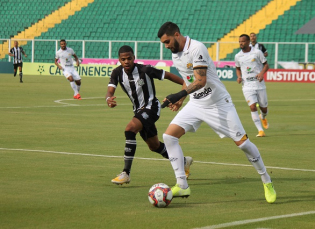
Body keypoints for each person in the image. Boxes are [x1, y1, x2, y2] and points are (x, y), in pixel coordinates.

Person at [158, 22, 276, 203]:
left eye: (167, 42)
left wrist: (179, 94)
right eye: (164, 43)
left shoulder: (197, 48)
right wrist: (181, 100)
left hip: (219, 103)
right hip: (196, 103)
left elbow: (201, 81)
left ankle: (266, 180)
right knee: (169, 137)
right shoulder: (176, 55)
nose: (166, 46)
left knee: (243, 144)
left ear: (176, 34)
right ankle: (182, 185)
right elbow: (187, 79)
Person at [106, 45, 193, 185]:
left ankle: (126, 173)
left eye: (129, 58)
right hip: (139, 111)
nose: (126, 61)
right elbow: (110, 91)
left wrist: (183, 89)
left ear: (134, 58)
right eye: (123, 59)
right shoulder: (117, 73)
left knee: (130, 129)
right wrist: (108, 99)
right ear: (119, 60)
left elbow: (172, 77)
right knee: (154, 146)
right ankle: (184, 161)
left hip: (151, 107)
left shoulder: (145, 70)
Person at [235, 34, 270, 137]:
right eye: (239, 41)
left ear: (248, 41)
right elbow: (237, 68)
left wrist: (261, 73)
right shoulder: (238, 56)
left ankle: (263, 117)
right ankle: (260, 131)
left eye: (243, 41)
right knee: (252, 106)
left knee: (264, 108)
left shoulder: (257, 52)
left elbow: (266, 65)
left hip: (259, 84)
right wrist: (238, 76)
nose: (241, 43)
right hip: (247, 85)